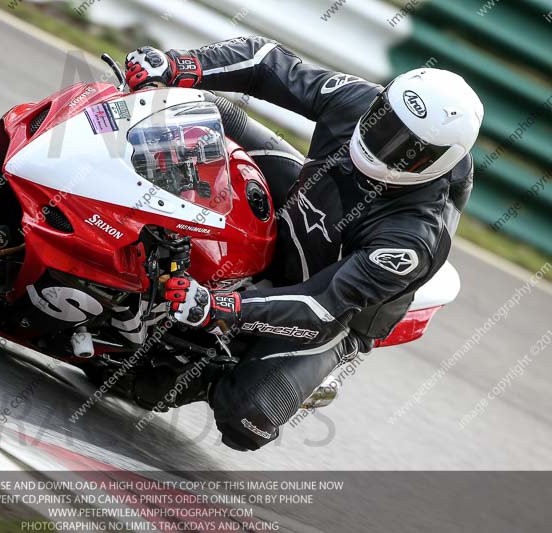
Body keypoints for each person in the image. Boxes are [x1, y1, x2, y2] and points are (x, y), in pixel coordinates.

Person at [124, 37, 484, 451]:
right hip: (303, 196)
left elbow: (323, 304)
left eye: (407, 150)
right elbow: (266, 63)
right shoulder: (358, 100)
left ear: (440, 161)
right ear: (382, 102)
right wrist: (178, 65)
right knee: (200, 106)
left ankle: (257, 371)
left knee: (248, 418)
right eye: (384, 122)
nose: (384, 144)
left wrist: (223, 308)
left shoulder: (412, 237)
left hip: (335, 312)